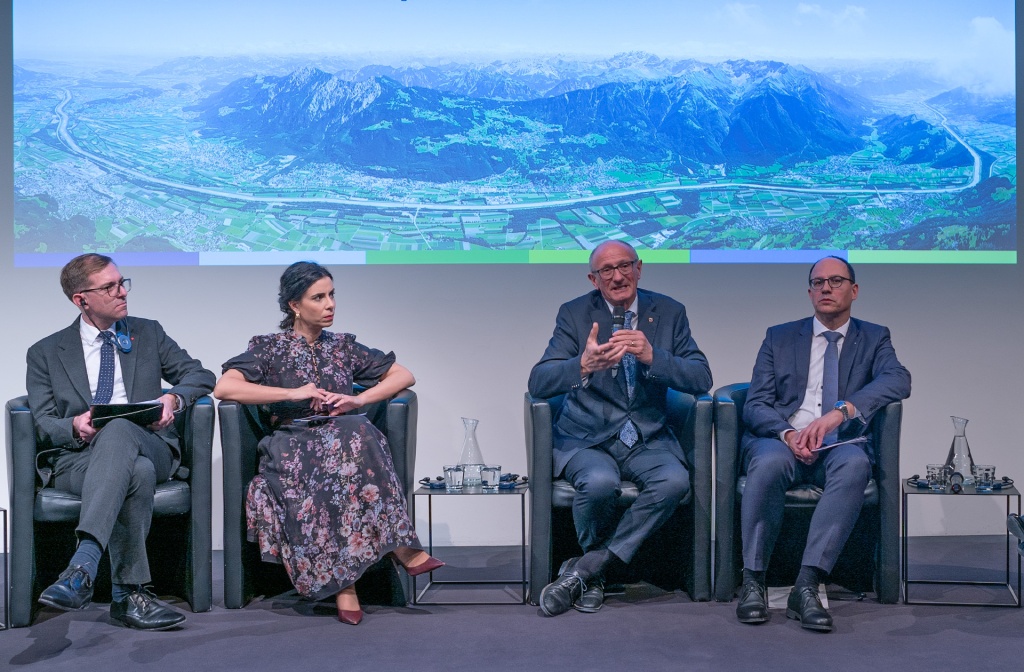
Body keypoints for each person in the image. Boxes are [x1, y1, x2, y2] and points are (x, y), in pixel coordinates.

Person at [213, 261, 442, 626]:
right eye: (318, 297)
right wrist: (293, 392)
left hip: (340, 436)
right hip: (291, 441)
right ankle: (394, 550)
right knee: (345, 449)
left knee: (358, 433)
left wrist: (359, 400)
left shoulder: (343, 346)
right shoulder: (269, 347)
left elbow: (404, 375)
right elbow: (225, 387)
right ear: (294, 305)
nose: (330, 304)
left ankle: (346, 585)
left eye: (332, 295)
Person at [27, 253, 215, 630]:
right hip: (79, 460)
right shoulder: (45, 352)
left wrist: (172, 398)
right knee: (137, 473)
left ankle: (83, 564)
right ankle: (129, 597)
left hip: (153, 444)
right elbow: (45, 423)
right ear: (81, 299)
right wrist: (76, 425)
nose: (122, 292)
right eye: (109, 287)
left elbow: (200, 374)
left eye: (122, 282)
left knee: (119, 429)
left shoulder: (148, 332)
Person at [528, 240, 713, 616]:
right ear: (593, 279)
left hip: (649, 437)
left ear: (639, 268)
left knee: (674, 483)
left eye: (624, 266)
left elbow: (701, 376)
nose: (617, 276)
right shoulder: (575, 313)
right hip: (588, 436)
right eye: (606, 271)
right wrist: (582, 365)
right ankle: (594, 574)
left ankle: (588, 569)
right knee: (598, 485)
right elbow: (539, 381)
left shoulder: (669, 312)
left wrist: (653, 356)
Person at [736, 256, 911, 632]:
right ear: (809, 291)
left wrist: (842, 411)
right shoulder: (779, 336)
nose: (826, 288)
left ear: (854, 289)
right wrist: (788, 433)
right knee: (766, 465)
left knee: (856, 464)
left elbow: (898, 379)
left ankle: (808, 583)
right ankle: (753, 581)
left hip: (839, 443)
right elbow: (756, 404)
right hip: (783, 441)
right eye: (817, 283)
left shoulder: (874, 336)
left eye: (835, 281)